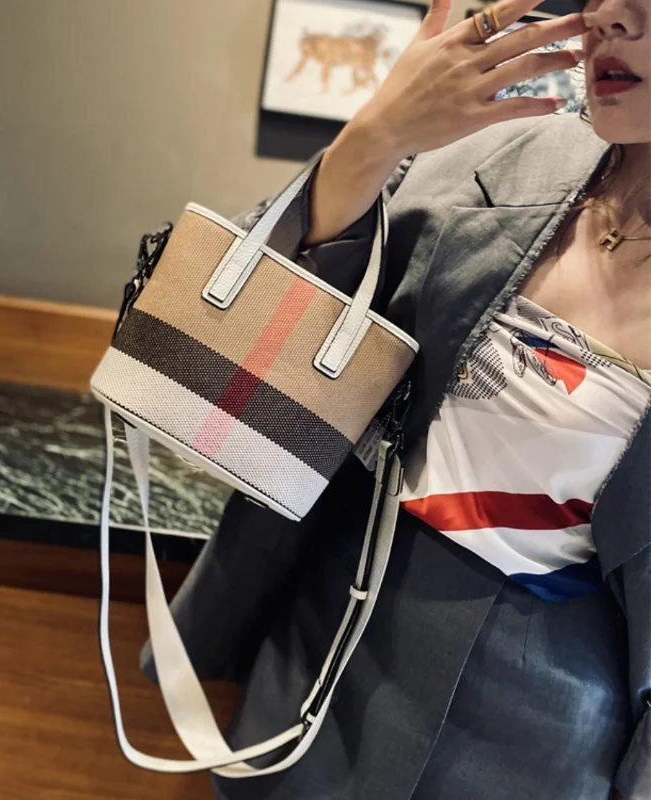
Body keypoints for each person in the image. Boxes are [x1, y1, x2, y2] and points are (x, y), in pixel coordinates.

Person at [140, 0, 651, 796]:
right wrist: (372, 139)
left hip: (547, 735)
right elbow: (193, 374)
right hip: (325, 653)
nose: (613, 14)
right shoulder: (495, 151)